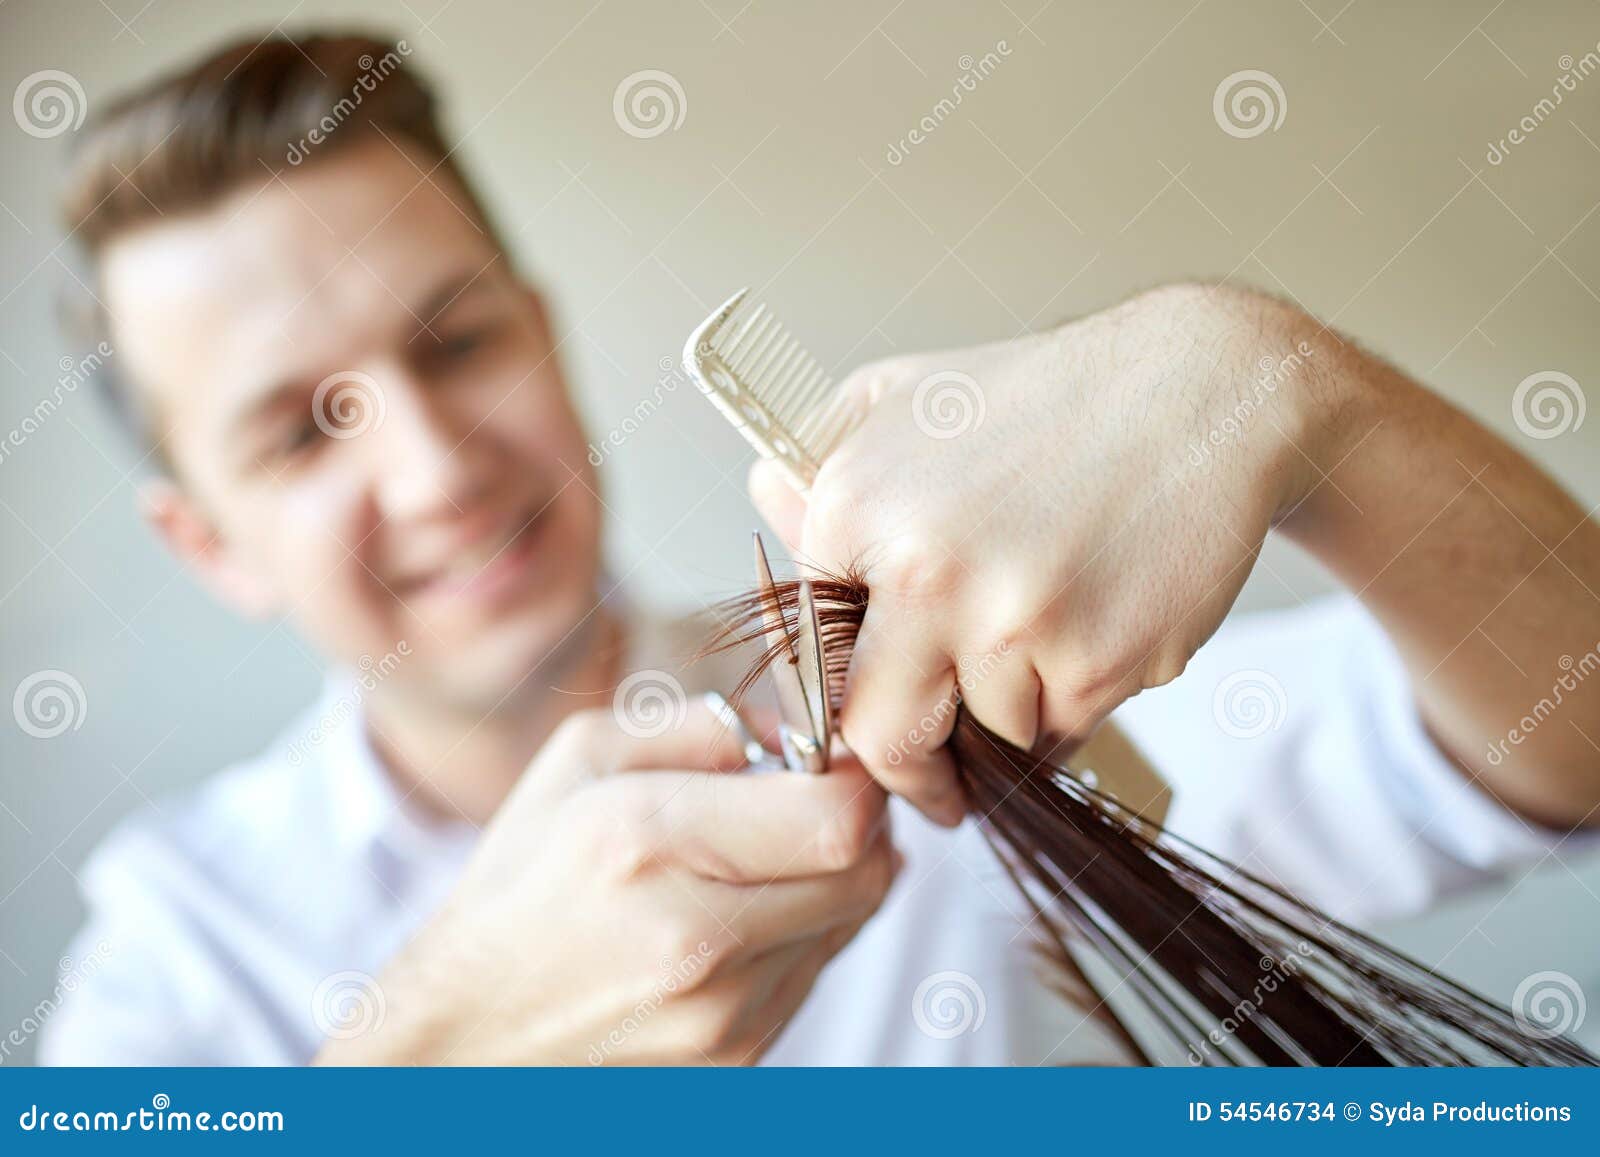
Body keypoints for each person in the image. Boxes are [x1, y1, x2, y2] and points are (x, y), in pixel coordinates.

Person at [40, 31, 1597, 1067]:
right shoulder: (181, 950)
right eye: (304, 431)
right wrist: (429, 1060)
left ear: (549, 338)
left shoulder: (936, 687)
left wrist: (1297, 395)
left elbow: (1568, 738)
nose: (437, 464)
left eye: (456, 343)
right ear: (207, 545)